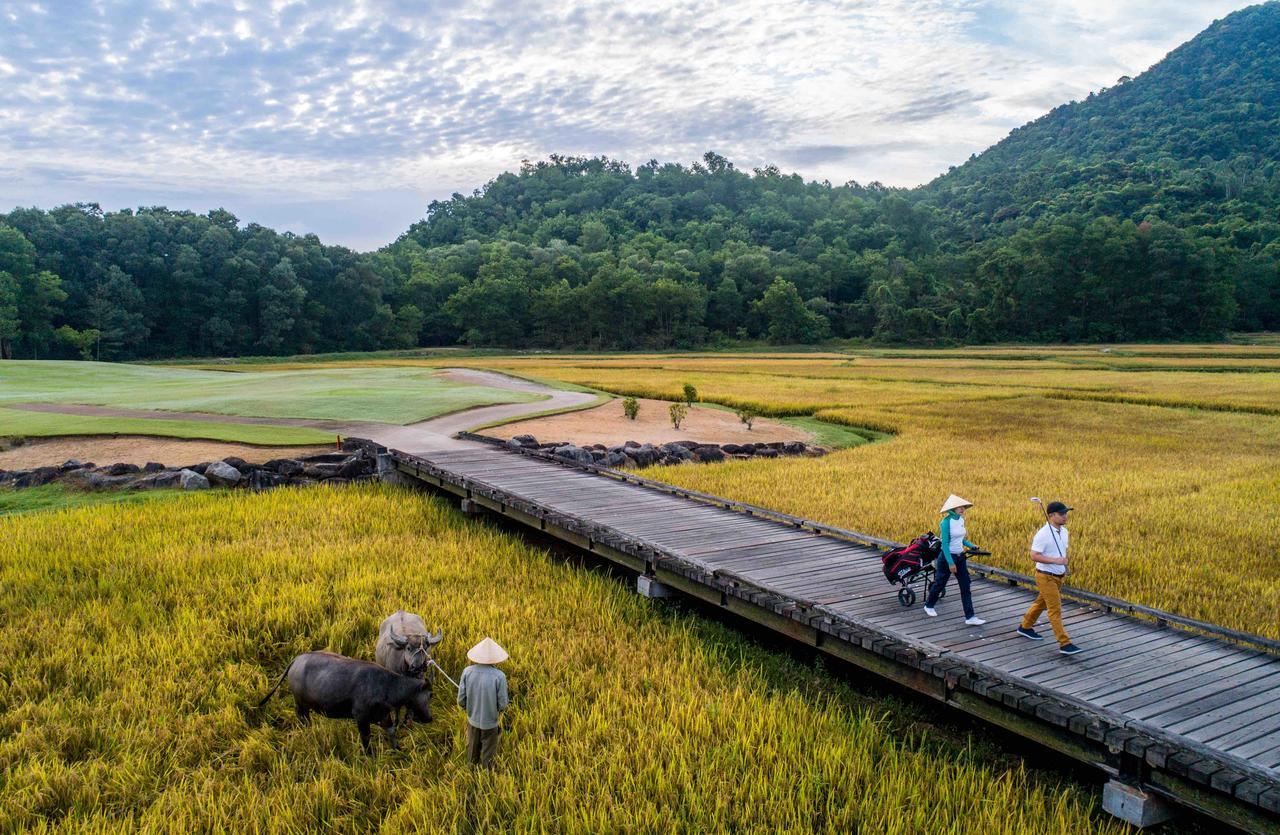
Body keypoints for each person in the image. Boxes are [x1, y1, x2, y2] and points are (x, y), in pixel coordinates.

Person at [1017, 501, 1083, 655]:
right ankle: (1065, 643)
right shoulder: (1043, 534)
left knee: (1041, 603)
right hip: (1045, 576)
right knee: (1055, 609)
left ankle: (1025, 627)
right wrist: (1056, 561)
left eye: (1066, 513)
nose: (1065, 516)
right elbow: (1034, 556)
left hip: (1058, 576)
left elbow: (1060, 552)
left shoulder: (1064, 531)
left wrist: (1062, 566)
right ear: (1051, 516)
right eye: (1061, 514)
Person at [924, 494, 985, 625]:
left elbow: (960, 539)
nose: (962, 509)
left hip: (960, 556)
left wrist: (971, 545)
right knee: (940, 583)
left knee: (965, 586)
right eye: (959, 507)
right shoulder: (946, 522)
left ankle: (970, 617)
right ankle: (929, 605)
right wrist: (951, 563)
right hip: (947, 557)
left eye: (963, 507)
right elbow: (945, 544)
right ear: (952, 509)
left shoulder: (961, 520)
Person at [456, 637, 510, 767]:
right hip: (490, 721)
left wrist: (467, 707)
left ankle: (471, 770)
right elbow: (503, 703)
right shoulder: (499, 676)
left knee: (472, 747)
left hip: (472, 719)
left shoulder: (467, 672)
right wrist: (497, 709)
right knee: (488, 751)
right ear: (495, 658)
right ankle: (486, 774)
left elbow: (461, 698)